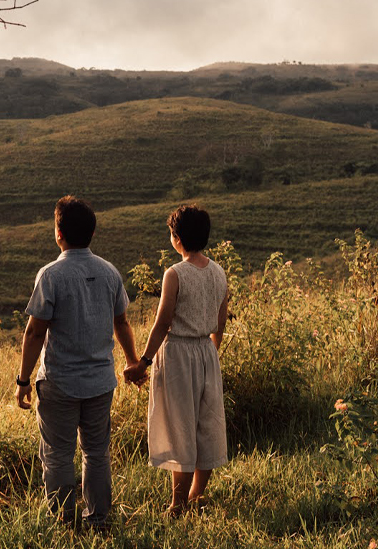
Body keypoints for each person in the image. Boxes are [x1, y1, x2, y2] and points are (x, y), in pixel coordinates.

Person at [15, 195, 139, 530]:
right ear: (92, 233)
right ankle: (98, 520)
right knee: (96, 454)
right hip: (100, 382)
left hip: (60, 382)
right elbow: (122, 322)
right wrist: (132, 360)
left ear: (58, 233)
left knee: (57, 454)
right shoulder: (109, 272)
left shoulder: (51, 275)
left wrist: (23, 380)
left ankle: (64, 523)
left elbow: (34, 333)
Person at [124, 204, 230, 517]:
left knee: (179, 426)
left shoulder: (175, 273)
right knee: (207, 426)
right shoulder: (218, 272)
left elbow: (162, 323)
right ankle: (197, 496)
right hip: (207, 351)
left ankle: (178, 504)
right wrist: (213, 350)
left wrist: (143, 362)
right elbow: (221, 319)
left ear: (177, 238)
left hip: (178, 354)